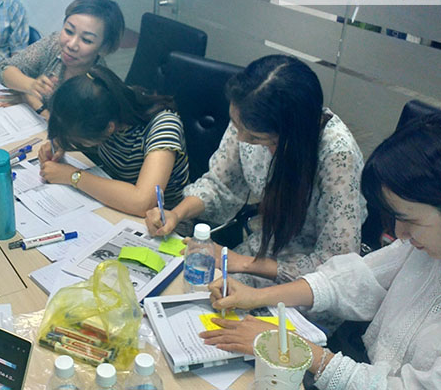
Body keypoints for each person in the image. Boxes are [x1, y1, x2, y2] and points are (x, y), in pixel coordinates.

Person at [200, 113, 441, 389]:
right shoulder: (421, 250)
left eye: (411, 220)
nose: (401, 234)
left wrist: (302, 351)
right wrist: (255, 297)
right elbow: (352, 280)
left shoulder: (336, 153)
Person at [146, 55, 366, 293]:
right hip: (263, 248)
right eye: (236, 126)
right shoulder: (248, 115)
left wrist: (243, 263)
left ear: (292, 135)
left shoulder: (337, 155)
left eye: (256, 138)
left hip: (308, 281)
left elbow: (338, 264)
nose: (241, 139)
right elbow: (220, 184)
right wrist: (176, 214)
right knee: (186, 287)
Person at [39, 65, 188, 216]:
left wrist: (72, 176)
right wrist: (60, 144)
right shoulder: (110, 103)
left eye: (78, 140)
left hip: (165, 218)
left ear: (109, 128)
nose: (75, 143)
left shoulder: (163, 127)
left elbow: (143, 202)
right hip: (115, 199)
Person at [0, 0, 124, 120]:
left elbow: (68, 128)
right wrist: (30, 85)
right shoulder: (54, 44)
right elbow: (3, 68)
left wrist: (35, 104)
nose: (71, 45)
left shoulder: (100, 84)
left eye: (86, 40)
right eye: (69, 31)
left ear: (104, 47)